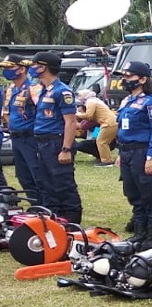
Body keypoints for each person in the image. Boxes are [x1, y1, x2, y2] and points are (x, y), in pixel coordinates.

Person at [114, 61, 152, 249]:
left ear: (142, 79)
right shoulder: (127, 101)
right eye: (124, 76)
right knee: (134, 194)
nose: (124, 80)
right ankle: (139, 233)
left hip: (143, 151)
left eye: (129, 76)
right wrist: (120, 152)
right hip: (127, 152)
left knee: (150, 195)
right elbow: (122, 129)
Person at [27, 51, 83, 223]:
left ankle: (72, 222)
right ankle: (53, 221)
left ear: (43, 67)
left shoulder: (62, 91)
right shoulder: (44, 91)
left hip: (56, 142)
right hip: (42, 143)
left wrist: (65, 149)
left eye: (35, 65)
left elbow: (71, 122)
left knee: (63, 184)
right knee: (46, 184)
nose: (32, 68)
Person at [1, 54, 43, 201]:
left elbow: (42, 112)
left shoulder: (34, 89)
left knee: (36, 174)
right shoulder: (11, 89)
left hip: (30, 137)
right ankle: (34, 203)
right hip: (16, 138)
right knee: (23, 175)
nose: (6, 71)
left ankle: (45, 206)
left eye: (10, 67)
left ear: (22, 69)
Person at [75, 89, 118, 166]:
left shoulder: (90, 102)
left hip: (107, 124)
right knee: (98, 141)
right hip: (105, 125)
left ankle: (106, 161)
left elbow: (86, 119)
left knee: (100, 141)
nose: (78, 108)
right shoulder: (95, 101)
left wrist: (76, 115)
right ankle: (104, 158)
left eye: (79, 106)